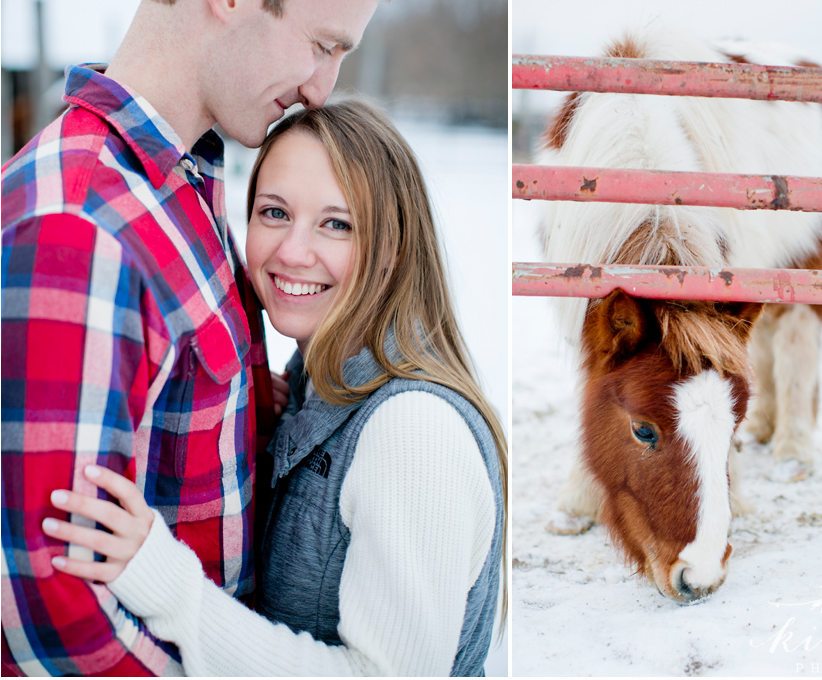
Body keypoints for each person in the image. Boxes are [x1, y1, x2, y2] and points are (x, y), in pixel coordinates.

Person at [1, 0, 402, 675]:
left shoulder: (184, 185)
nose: (323, 88)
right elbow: (52, 610)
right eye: (323, 45)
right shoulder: (80, 225)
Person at [42, 100, 508, 676]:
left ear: (392, 249)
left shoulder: (412, 429)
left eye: (336, 224)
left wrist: (171, 589)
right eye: (274, 212)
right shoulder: (313, 385)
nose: (292, 251)